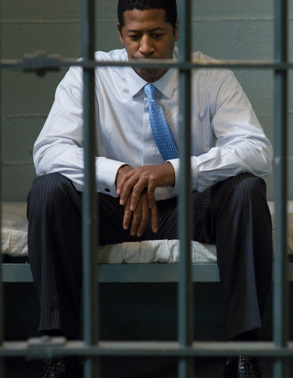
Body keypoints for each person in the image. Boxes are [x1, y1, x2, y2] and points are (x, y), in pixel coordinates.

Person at [27, 0, 273, 377]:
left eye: (156, 35)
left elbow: (257, 150)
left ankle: (244, 353)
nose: (145, 47)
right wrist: (119, 173)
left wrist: (172, 171)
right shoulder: (90, 74)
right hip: (111, 207)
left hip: (187, 206)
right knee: (48, 190)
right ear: (119, 34)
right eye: (134, 35)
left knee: (246, 190)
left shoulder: (210, 75)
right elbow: (48, 151)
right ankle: (62, 354)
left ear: (175, 32)